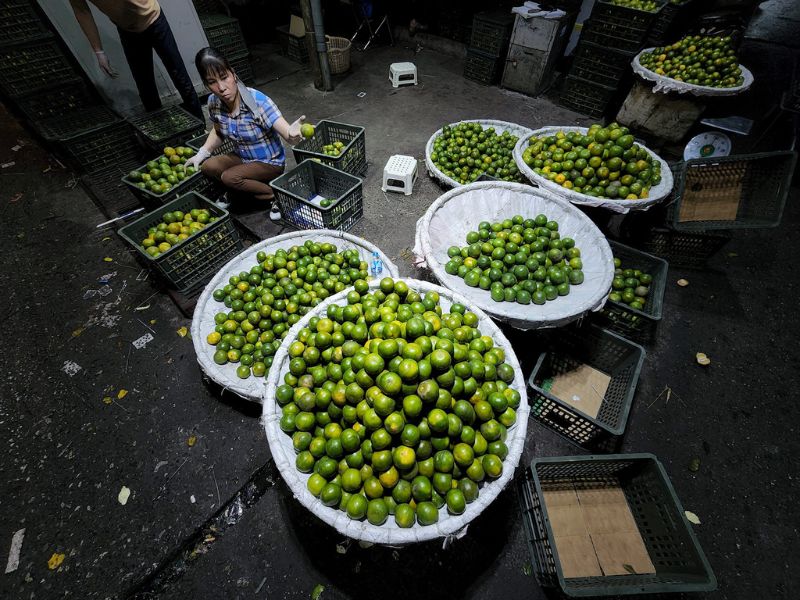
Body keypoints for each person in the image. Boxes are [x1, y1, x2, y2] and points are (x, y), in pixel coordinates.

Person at [185, 47, 306, 220]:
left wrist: (292, 134)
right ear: (206, 85)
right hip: (243, 157)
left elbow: (287, 132)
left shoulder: (258, 101)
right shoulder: (214, 102)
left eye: (224, 77)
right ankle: (238, 191)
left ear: (233, 74)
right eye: (212, 82)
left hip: (269, 163)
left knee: (229, 177)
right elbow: (218, 131)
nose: (221, 87)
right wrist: (202, 153)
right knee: (208, 166)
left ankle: (277, 195)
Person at [68, 0, 203, 120]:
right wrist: (99, 52)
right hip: (127, 30)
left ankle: (200, 124)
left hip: (154, 17)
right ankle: (162, 131)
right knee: (145, 86)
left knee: (178, 73)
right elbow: (82, 11)